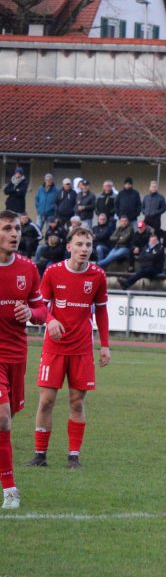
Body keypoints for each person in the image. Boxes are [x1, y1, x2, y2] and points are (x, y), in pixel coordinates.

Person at [28, 227, 110, 469]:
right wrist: (50, 320)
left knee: (76, 402)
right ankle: (40, 455)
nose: (84, 249)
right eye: (79, 244)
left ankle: (74, 457)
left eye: (88, 245)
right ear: (69, 247)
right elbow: (40, 306)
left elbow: (102, 311)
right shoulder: (53, 272)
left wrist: (105, 345)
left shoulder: (98, 275)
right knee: (46, 400)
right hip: (54, 347)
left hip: (82, 348)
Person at [0, 210, 48, 509]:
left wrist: (31, 313)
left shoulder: (28, 268)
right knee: (3, 418)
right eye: (7, 228)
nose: (14, 234)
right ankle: (10, 491)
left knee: (8, 418)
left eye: (17, 228)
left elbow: (43, 311)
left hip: (17, 355)